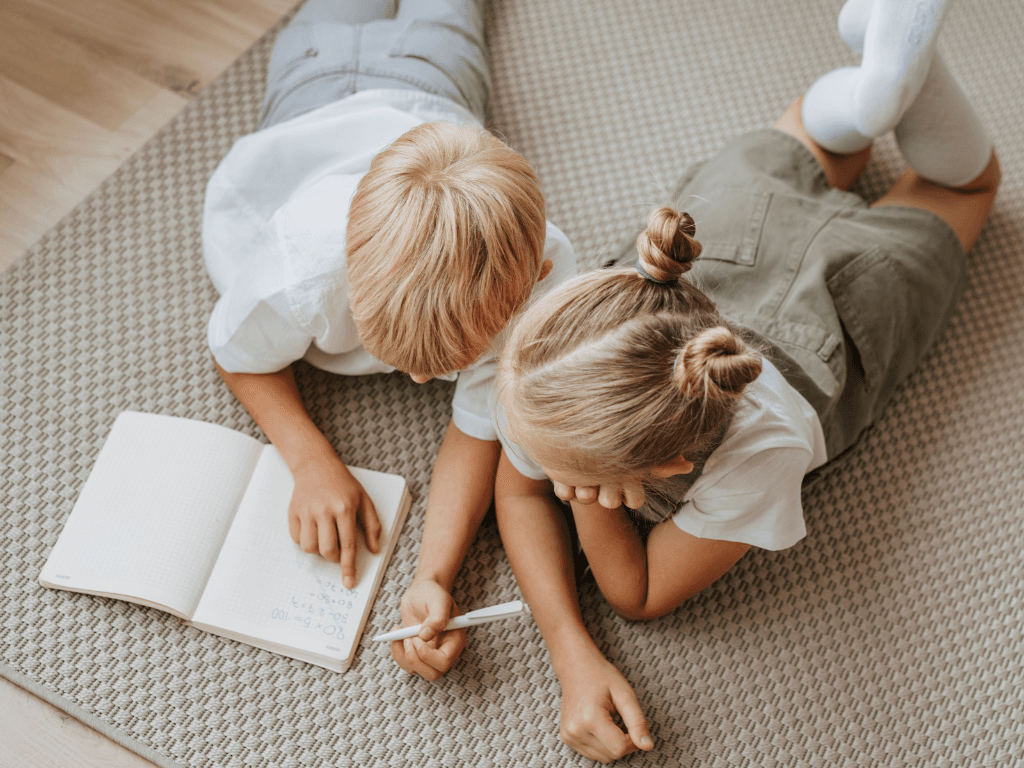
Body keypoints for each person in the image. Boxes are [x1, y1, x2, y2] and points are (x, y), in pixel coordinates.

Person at [492, 0, 1000, 762]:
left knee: (966, 188)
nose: (533, 464)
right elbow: (515, 486)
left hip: (846, 301)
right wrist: (570, 649)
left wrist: (586, 503)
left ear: (666, 469)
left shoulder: (761, 456)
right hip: (723, 244)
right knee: (809, 136)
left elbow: (636, 595)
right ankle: (872, 97)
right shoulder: (574, 359)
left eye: (567, 473)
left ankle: (883, 94)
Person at [202, 0, 575, 680]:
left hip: (436, 79)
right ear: (348, 278)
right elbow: (235, 353)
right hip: (311, 80)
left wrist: (434, 573)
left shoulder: (542, 277)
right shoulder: (301, 271)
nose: (417, 384)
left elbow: (478, 428)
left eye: (443, 366)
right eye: (400, 358)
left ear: (534, 281)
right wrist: (310, 458)